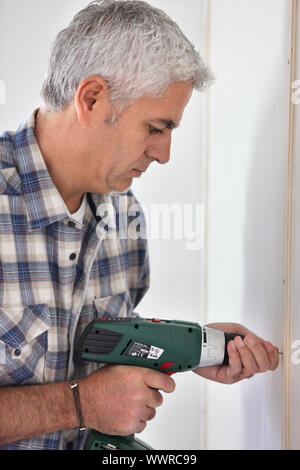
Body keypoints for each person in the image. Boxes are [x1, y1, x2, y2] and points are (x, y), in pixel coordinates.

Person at [0, 0, 279, 450]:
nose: (164, 154)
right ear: (91, 99)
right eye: (155, 127)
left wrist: (196, 350)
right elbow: (90, 398)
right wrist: (80, 405)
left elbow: (106, 346)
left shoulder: (123, 212)